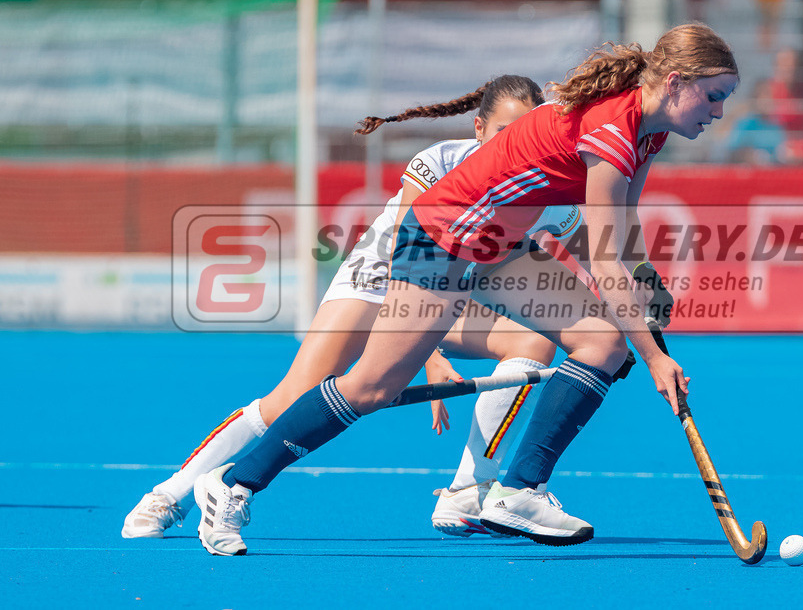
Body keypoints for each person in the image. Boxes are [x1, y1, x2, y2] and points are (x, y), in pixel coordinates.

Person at [194, 22, 738, 554]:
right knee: (371, 388)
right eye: (713, 97)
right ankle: (233, 485)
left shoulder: (650, 131)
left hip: (499, 245)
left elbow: (624, 226)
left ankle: (519, 492)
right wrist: (655, 357)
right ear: (675, 83)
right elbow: (604, 261)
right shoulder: (613, 130)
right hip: (442, 234)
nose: (718, 112)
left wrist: (643, 278)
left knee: (601, 341)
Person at [122, 75, 577, 539]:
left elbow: (573, 259)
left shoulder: (551, 195)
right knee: (288, 400)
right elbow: (410, 256)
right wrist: (429, 355)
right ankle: (166, 494)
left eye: (526, 132)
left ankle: (468, 490)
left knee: (531, 340)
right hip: (379, 277)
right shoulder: (440, 161)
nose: (515, 145)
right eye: (505, 133)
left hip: (451, 291)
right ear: (479, 129)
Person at [725, 78, 790, 165]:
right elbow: (732, 150)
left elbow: (781, 152)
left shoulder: (776, 125)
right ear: (756, 97)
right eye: (764, 95)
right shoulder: (745, 123)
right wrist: (749, 155)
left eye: (771, 95)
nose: (768, 100)